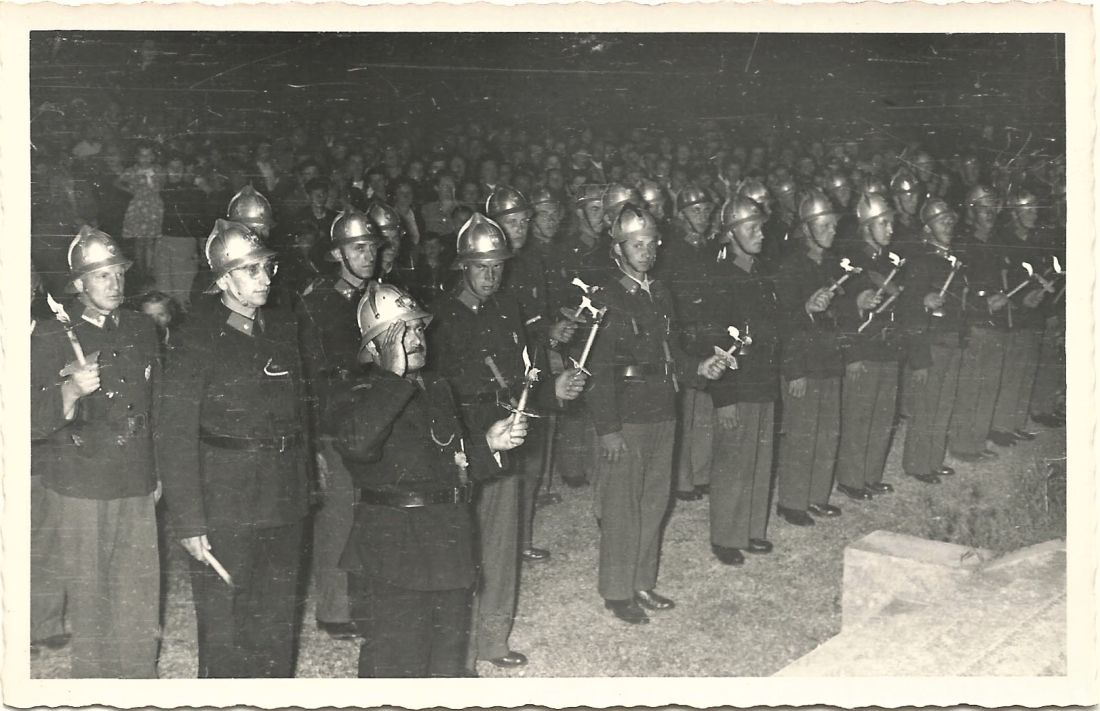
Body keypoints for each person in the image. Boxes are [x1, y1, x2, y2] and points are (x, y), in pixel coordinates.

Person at [330, 283, 530, 677]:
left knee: (448, 660)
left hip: (446, 541)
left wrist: (490, 444)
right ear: (374, 348)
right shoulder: (357, 392)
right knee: (395, 663)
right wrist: (393, 376)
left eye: (419, 329)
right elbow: (358, 446)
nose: (416, 339)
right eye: (401, 334)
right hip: (394, 549)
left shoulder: (437, 386)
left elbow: (447, 459)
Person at [428, 213, 586, 670]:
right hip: (463, 439)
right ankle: (456, 649)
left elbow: (521, 377)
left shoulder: (508, 308)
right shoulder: (438, 316)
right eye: (482, 266)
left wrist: (551, 394)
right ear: (463, 266)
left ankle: (493, 639)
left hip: (507, 429)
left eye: (498, 265)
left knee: (500, 542)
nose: (491, 275)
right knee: (460, 548)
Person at [158, 219, 311, 677]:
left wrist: (304, 488)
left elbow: (299, 417)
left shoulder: (281, 330)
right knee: (226, 626)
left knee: (278, 619)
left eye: (267, 267)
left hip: (282, 498)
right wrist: (188, 519)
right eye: (252, 271)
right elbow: (176, 433)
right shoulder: (195, 340)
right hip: (226, 501)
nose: (266, 279)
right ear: (224, 280)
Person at [585, 205, 727, 624]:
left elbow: (672, 355)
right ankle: (616, 590)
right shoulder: (605, 298)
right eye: (636, 244)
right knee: (622, 507)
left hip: (663, 409)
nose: (646, 252)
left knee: (653, 502)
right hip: (627, 415)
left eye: (651, 244)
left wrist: (699, 369)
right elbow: (595, 370)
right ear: (618, 250)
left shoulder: (660, 293)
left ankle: (642, 581)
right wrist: (608, 429)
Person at [31, 226, 161, 677]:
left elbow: (157, 403)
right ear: (79, 285)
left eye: (119, 273)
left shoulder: (144, 328)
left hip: (136, 472)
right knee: (92, 592)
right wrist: (68, 390)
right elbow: (27, 416)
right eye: (102, 276)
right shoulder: (50, 336)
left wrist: (158, 470)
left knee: (139, 587)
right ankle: (94, 687)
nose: (115, 284)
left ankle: (139, 682)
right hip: (81, 476)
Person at [297, 207, 384, 641]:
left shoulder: (383, 298)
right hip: (336, 425)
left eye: (371, 246)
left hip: (378, 423)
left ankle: (367, 601)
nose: (368, 255)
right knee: (337, 520)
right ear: (336, 254)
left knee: (373, 515)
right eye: (357, 247)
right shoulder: (316, 305)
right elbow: (311, 377)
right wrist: (312, 442)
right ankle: (334, 609)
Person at [486, 185, 578, 562]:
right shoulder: (489, 264)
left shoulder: (531, 260)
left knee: (530, 454)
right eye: (512, 222)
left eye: (525, 221)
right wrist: (545, 332)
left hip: (534, 359)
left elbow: (536, 314)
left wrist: (551, 334)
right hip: (502, 369)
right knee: (506, 456)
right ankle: (501, 543)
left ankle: (520, 538)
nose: (520, 228)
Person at [704, 197, 781, 564]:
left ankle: (751, 529)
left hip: (763, 380)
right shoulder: (721, 277)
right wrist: (724, 399)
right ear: (731, 234)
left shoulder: (759, 271)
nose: (761, 234)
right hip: (738, 383)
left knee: (759, 460)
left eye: (761, 226)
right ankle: (725, 536)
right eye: (753, 228)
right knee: (733, 463)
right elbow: (714, 341)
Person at [773, 190, 846, 526]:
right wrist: (793, 370)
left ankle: (817, 496)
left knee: (827, 432)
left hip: (830, 359)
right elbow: (783, 321)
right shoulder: (791, 267)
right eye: (825, 225)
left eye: (834, 225)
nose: (833, 231)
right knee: (801, 434)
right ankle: (792, 501)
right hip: (804, 363)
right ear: (807, 229)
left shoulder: (832, 264)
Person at [833, 193, 904, 500]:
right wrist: (852, 353)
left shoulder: (889, 259)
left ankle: (871, 475)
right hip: (863, 349)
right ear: (866, 226)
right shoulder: (852, 261)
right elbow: (836, 308)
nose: (890, 229)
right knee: (859, 417)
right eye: (883, 223)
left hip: (888, 348)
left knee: (883, 417)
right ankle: (851, 478)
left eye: (891, 222)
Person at [897, 198, 968, 484]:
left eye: (950, 219)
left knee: (944, 404)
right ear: (927, 229)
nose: (948, 225)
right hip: (931, 342)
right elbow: (907, 309)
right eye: (941, 221)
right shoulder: (921, 261)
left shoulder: (956, 259)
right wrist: (919, 358)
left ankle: (934, 459)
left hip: (952, 340)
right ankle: (916, 463)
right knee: (926, 406)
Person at [656, 185, 717, 503]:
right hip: (685, 335)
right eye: (696, 211)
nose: (703, 216)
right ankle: (682, 479)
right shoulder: (672, 251)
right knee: (686, 410)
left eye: (707, 210)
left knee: (705, 410)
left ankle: (701, 472)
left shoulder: (709, 247)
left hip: (707, 334)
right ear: (681, 216)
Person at [948, 184, 1009, 461]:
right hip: (974, 322)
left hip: (996, 321)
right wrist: (982, 304)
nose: (991, 213)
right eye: (984, 208)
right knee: (971, 385)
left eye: (993, 207)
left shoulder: (996, 240)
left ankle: (977, 440)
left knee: (989, 384)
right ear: (972, 210)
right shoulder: (963, 244)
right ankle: (962, 444)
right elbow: (955, 290)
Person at [988, 188, 1052, 445]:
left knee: (1026, 371)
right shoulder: (1004, 240)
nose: (1033, 214)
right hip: (1013, 315)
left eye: (1035, 209)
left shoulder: (1036, 239)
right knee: (1011, 371)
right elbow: (1001, 279)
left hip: (1033, 313)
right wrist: (1018, 300)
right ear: (1014, 213)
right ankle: (999, 426)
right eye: (1027, 209)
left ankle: (1015, 423)